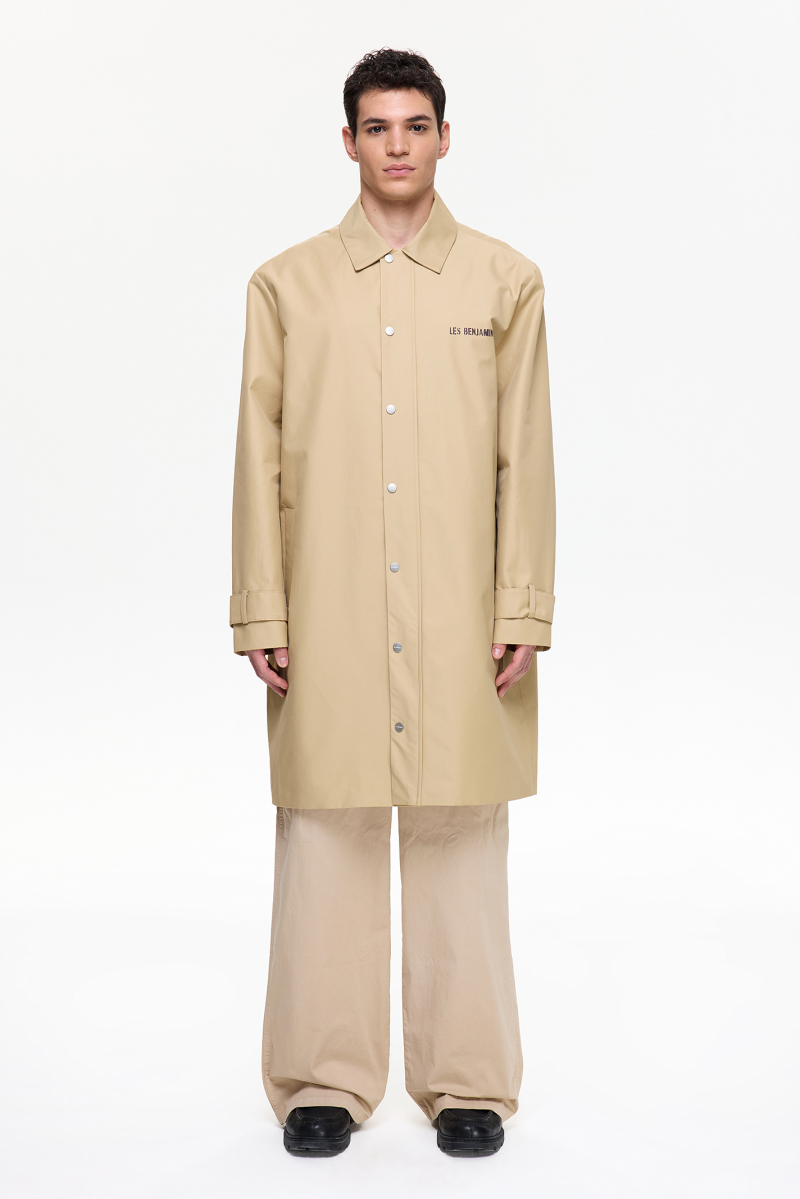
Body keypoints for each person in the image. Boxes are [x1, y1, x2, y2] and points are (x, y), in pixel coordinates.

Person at [230, 47, 555, 1157]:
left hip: (464, 612)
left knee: (460, 829)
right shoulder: (284, 286)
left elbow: (525, 457)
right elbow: (257, 458)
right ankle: (322, 1078)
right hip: (327, 605)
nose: (399, 144)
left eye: (416, 125)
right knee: (326, 830)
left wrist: (521, 605)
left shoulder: (506, 283)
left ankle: (468, 1081)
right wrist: (261, 608)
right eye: (378, 126)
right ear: (349, 142)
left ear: (445, 137)